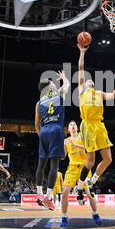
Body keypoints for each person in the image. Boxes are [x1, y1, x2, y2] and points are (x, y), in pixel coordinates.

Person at [75, 42, 115, 205]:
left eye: (91, 81)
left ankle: (91, 182)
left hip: (99, 125)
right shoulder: (83, 90)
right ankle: (79, 188)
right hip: (88, 125)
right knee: (90, 161)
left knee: (108, 159)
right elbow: (81, 68)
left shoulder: (99, 93)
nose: (90, 81)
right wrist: (82, 52)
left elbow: (113, 95)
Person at [35, 71, 70, 211]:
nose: (54, 83)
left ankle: (39, 194)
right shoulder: (59, 94)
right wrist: (63, 78)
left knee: (41, 164)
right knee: (54, 165)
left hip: (44, 131)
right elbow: (67, 84)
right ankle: (48, 198)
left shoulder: (39, 102)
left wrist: (42, 136)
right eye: (52, 82)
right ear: (49, 86)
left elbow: (36, 124)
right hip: (56, 130)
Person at [61, 121, 102, 228]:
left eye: (74, 124)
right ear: (68, 129)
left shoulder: (82, 137)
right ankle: (64, 217)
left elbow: (88, 148)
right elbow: (63, 156)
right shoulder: (66, 141)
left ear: (77, 128)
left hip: (85, 167)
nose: (73, 126)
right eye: (70, 125)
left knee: (89, 193)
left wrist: (75, 144)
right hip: (72, 167)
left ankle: (95, 214)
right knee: (65, 192)